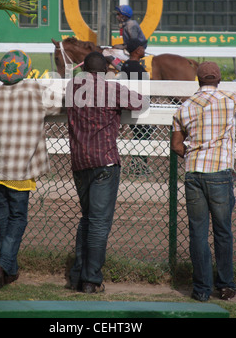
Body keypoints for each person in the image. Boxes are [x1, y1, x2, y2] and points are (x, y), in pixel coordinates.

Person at [0, 50, 63, 288]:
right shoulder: (37, 91)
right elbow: (60, 106)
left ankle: (9, 271)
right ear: (25, 71)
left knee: (3, 219)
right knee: (18, 219)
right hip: (22, 169)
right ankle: (2, 265)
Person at [66, 51, 147, 293]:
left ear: (83, 69)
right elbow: (141, 102)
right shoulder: (111, 88)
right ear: (104, 71)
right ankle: (91, 279)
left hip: (80, 162)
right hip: (105, 161)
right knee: (99, 224)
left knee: (87, 220)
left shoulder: (72, 87)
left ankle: (78, 275)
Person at [171, 61, 236, 302]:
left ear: (198, 80)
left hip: (194, 172)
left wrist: (194, 154)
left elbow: (176, 145)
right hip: (219, 172)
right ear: (219, 79)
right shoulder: (228, 97)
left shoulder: (185, 107)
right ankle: (225, 285)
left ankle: (201, 288)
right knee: (223, 231)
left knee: (198, 232)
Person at [121, 38, 151, 175]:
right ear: (137, 50)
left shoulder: (126, 65)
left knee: (140, 134)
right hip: (139, 106)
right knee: (144, 134)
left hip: (131, 104)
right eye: (142, 48)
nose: (144, 50)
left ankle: (137, 164)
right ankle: (139, 165)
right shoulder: (137, 68)